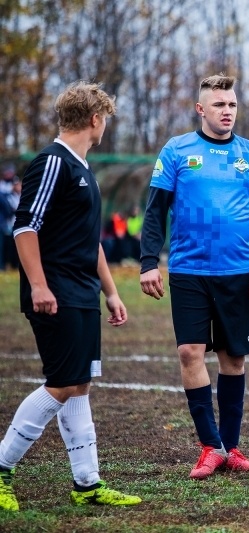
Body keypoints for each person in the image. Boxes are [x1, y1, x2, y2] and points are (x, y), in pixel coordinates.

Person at [139, 74, 249, 480]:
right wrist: (148, 261)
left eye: (232, 105)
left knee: (233, 359)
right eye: (219, 104)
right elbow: (155, 212)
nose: (227, 111)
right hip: (188, 271)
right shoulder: (176, 151)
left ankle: (232, 446)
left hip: (239, 275)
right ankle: (210, 446)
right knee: (190, 352)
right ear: (201, 109)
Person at [0, 81, 141, 512]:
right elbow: (24, 227)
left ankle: (87, 483)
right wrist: (39, 286)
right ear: (96, 119)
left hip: (82, 292)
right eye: (107, 119)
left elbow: (89, 241)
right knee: (61, 384)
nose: (106, 127)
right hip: (56, 292)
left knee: (79, 385)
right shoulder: (52, 163)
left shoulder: (82, 168)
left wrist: (111, 292)